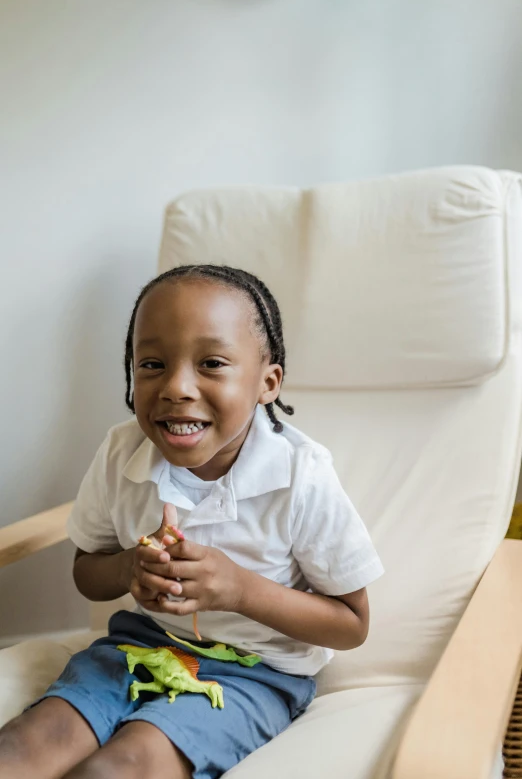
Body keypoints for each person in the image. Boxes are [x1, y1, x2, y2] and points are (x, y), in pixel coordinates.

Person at [0, 264, 384, 779]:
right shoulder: (121, 452)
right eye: (153, 364)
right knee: (24, 747)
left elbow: (352, 624)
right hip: (136, 645)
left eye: (211, 363)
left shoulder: (302, 477)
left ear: (267, 383)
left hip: (255, 676)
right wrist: (127, 570)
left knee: (116, 768)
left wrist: (239, 590)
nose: (177, 387)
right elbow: (86, 570)